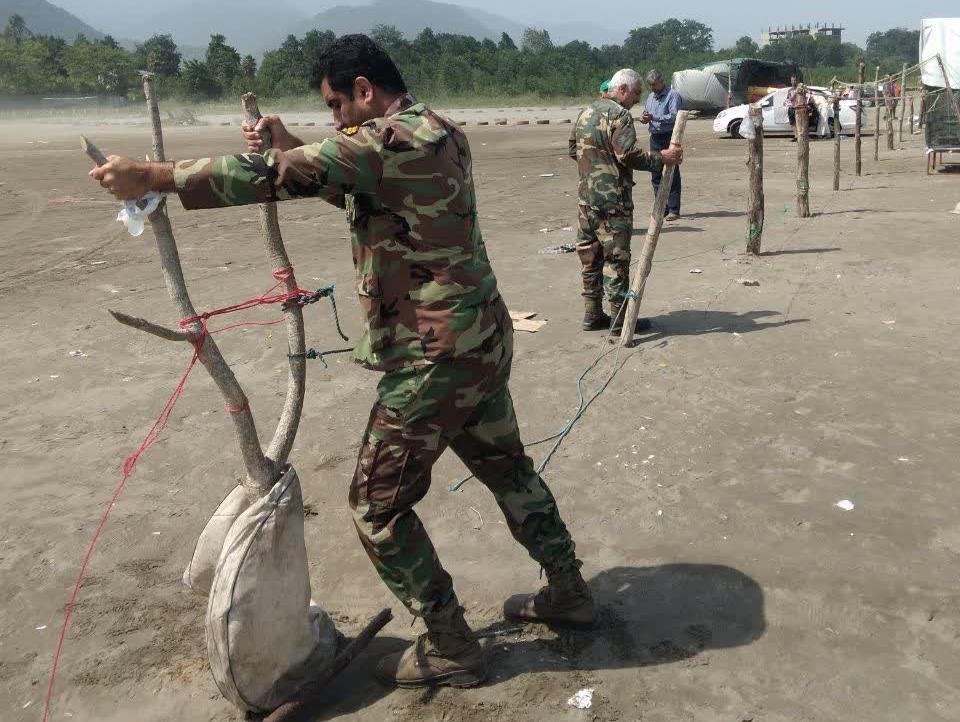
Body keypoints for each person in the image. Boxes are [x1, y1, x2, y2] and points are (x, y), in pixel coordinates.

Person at [89, 34, 594, 690]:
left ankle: (451, 644)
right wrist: (292, 142)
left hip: (434, 358)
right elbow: (349, 180)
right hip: (481, 342)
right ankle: (570, 592)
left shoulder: (387, 141)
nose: (334, 122)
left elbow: (277, 176)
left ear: (364, 90)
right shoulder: (437, 131)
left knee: (375, 507)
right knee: (509, 472)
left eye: (336, 107)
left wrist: (153, 179)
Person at [569, 68, 683, 333]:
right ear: (622, 90)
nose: (637, 99)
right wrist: (662, 158)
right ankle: (620, 321)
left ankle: (592, 314)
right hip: (612, 202)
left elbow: (573, 149)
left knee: (590, 258)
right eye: (635, 93)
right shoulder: (619, 115)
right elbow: (628, 155)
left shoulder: (586, 112)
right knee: (615, 261)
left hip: (586, 199)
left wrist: (595, 167)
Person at [639, 69, 682, 220]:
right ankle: (661, 207)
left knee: (671, 173)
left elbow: (674, 116)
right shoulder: (651, 96)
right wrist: (644, 118)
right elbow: (646, 113)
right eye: (649, 85)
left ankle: (674, 210)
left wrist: (654, 117)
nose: (651, 88)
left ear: (661, 82)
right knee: (655, 173)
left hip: (669, 136)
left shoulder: (673, 95)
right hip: (655, 137)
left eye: (654, 85)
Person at [785, 75, 818, 142]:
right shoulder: (790, 90)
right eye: (792, 80)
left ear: (797, 81)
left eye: (795, 80)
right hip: (792, 108)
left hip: (801, 109)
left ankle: (803, 136)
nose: (794, 82)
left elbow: (809, 97)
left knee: (802, 123)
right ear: (790, 81)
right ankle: (796, 136)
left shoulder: (803, 89)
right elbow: (788, 99)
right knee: (793, 123)